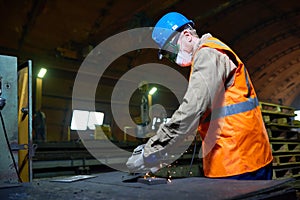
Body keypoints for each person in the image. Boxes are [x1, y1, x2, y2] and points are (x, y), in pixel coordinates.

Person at [126, 12, 273, 180]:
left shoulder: (207, 55)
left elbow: (192, 109)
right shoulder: (212, 52)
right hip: (247, 154)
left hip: (237, 159)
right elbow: (209, 114)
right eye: (167, 56)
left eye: (170, 51)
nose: (172, 58)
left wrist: (151, 151)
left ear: (187, 36)